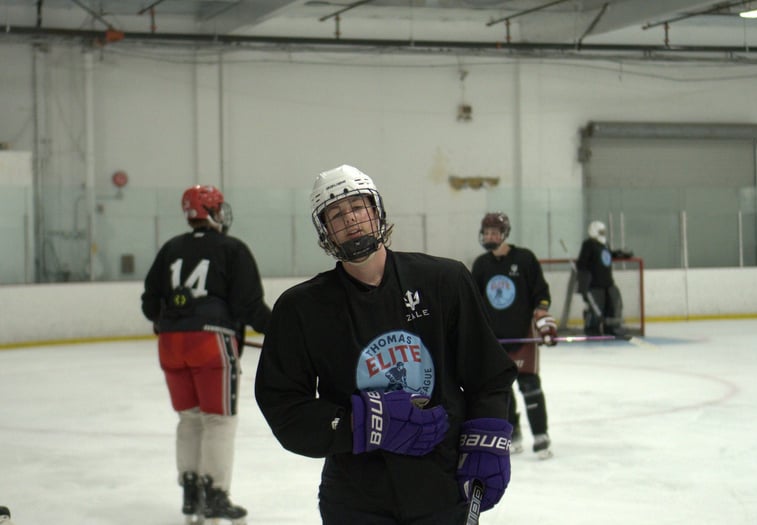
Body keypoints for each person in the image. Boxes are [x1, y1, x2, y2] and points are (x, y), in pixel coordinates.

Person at [254, 165, 517, 525]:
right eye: (336, 214)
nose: (350, 219)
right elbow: (283, 407)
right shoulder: (301, 308)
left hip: (442, 484)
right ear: (325, 230)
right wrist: (361, 423)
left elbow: (487, 375)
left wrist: (488, 435)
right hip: (356, 498)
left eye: (357, 207)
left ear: (376, 211)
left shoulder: (444, 280)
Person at [141, 184, 271, 525]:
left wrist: (170, 319)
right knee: (218, 420)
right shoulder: (232, 248)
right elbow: (249, 305)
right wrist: (279, 332)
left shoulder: (171, 248)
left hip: (171, 345)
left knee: (189, 418)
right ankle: (215, 495)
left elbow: (149, 303)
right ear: (211, 211)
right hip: (210, 344)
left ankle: (191, 493)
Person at [471, 212, 557, 460]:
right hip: (495, 341)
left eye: (494, 233)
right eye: (487, 232)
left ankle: (540, 435)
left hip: (523, 336)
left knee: (530, 387)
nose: (490, 237)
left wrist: (544, 320)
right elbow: (474, 302)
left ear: (505, 234)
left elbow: (541, 295)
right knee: (502, 391)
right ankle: (513, 433)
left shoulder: (525, 259)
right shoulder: (481, 265)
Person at [576, 220, 633, 337]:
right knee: (595, 310)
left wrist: (620, 253)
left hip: (607, 283)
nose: (603, 234)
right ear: (594, 231)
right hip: (594, 285)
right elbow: (582, 264)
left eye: (604, 231)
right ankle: (592, 330)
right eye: (601, 231)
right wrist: (583, 283)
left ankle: (611, 328)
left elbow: (609, 254)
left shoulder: (604, 244)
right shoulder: (588, 244)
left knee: (611, 306)